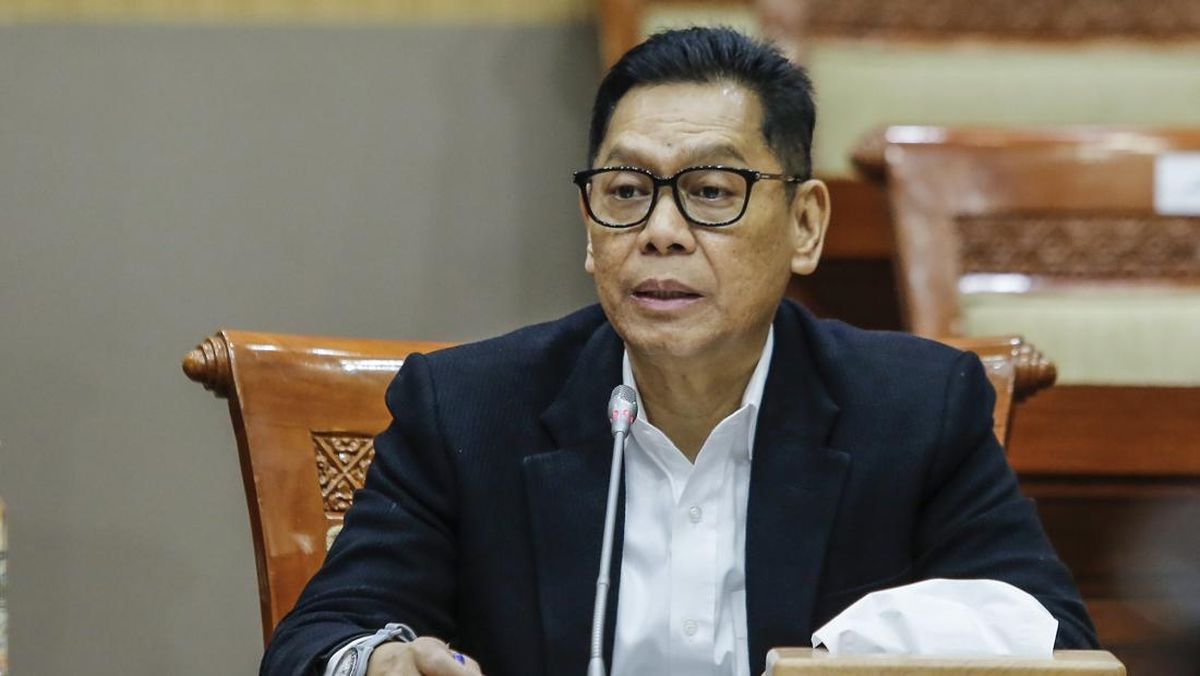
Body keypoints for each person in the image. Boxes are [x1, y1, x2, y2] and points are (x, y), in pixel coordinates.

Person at [261, 27, 1097, 676]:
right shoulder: (467, 409)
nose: (661, 232)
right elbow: (319, 638)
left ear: (805, 225)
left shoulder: (915, 408)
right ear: (590, 229)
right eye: (627, 191)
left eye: (711, 192)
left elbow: (1052, 642)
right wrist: (380, 661)